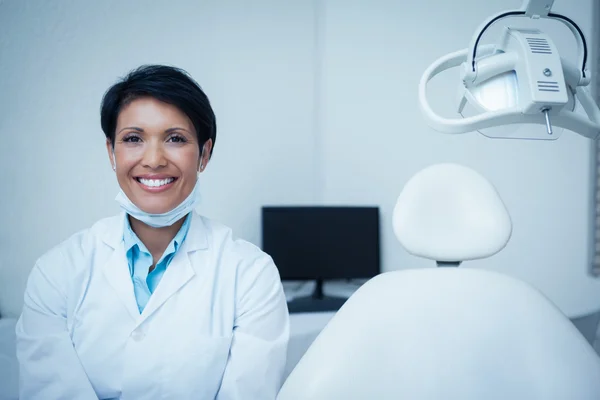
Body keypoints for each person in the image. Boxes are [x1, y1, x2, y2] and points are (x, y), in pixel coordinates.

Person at [15, 65, 290, 399]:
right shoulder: (57, 272)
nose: (154, 159)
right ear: (111, 153)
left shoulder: (251, 275)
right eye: (133, 139)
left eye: (175, 139)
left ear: (204, 154)